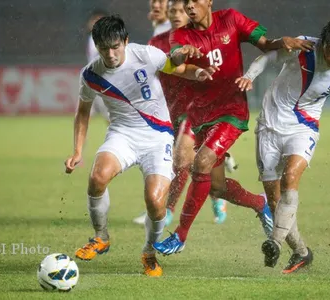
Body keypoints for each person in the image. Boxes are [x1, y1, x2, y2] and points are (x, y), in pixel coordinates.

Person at [153, 0, 314, 256]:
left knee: (201, 162)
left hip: (231, 110)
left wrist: (281, 41)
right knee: (216, 187)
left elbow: (264, 44)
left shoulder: (231, 19)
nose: (190, 7)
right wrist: (182, 53)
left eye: (195, 1)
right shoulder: (181, 34)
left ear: (209, 1)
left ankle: (180, 236)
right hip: (201, 114)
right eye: (186, 3)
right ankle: (260, 203)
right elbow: (177, 62)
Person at [64, 15, 217, 277]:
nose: (110, 55)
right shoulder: (91, 75)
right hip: (122, 134)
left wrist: (198, 72)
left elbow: (179, 68)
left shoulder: (146, 55)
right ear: (96, 47)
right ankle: (100, 238)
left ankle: (149, 252)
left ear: (125, 41)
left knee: (155, 202)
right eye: (103, 49)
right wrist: (78, 150)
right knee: (97, 177)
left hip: (157, 137)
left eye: (115, 47)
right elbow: (82, 112)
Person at [236, 16, 330, 273]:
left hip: (303, 127)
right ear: (323, 40)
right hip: (269, 126)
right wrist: (250, 76)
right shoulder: (304, 46)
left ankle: (275, 242)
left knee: (290, 177)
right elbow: (269, 57)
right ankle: (302, 252)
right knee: (274, 201)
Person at [132, 0, 237, 226]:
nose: (177, 15)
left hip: (197, 108)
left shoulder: (198, 39)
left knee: (180, 156)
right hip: (169, 109)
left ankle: (167, 210)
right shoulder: (157, 42)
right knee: (187, 161)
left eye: (181, 10)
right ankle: (217, 192)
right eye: (173, 11)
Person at [85, 9, 110, 121]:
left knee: (110, 117)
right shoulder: (92, 38)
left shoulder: (107, 39)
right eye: (94, 20)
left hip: (103, 82)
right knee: (83, 113)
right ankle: (80, 139)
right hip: (92, 80)